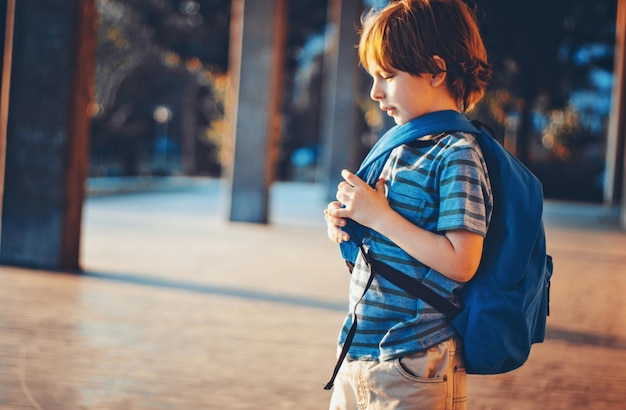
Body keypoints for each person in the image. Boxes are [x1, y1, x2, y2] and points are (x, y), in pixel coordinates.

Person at [323, 0, 493, 408]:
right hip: (360, 351)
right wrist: (350, 221)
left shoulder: (457, 154)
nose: (375, 92)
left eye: (388, 76)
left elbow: (461, 261)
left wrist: (379, 217)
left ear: (437, 70)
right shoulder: (403, 147)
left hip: (417, 361)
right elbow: (388, 236)